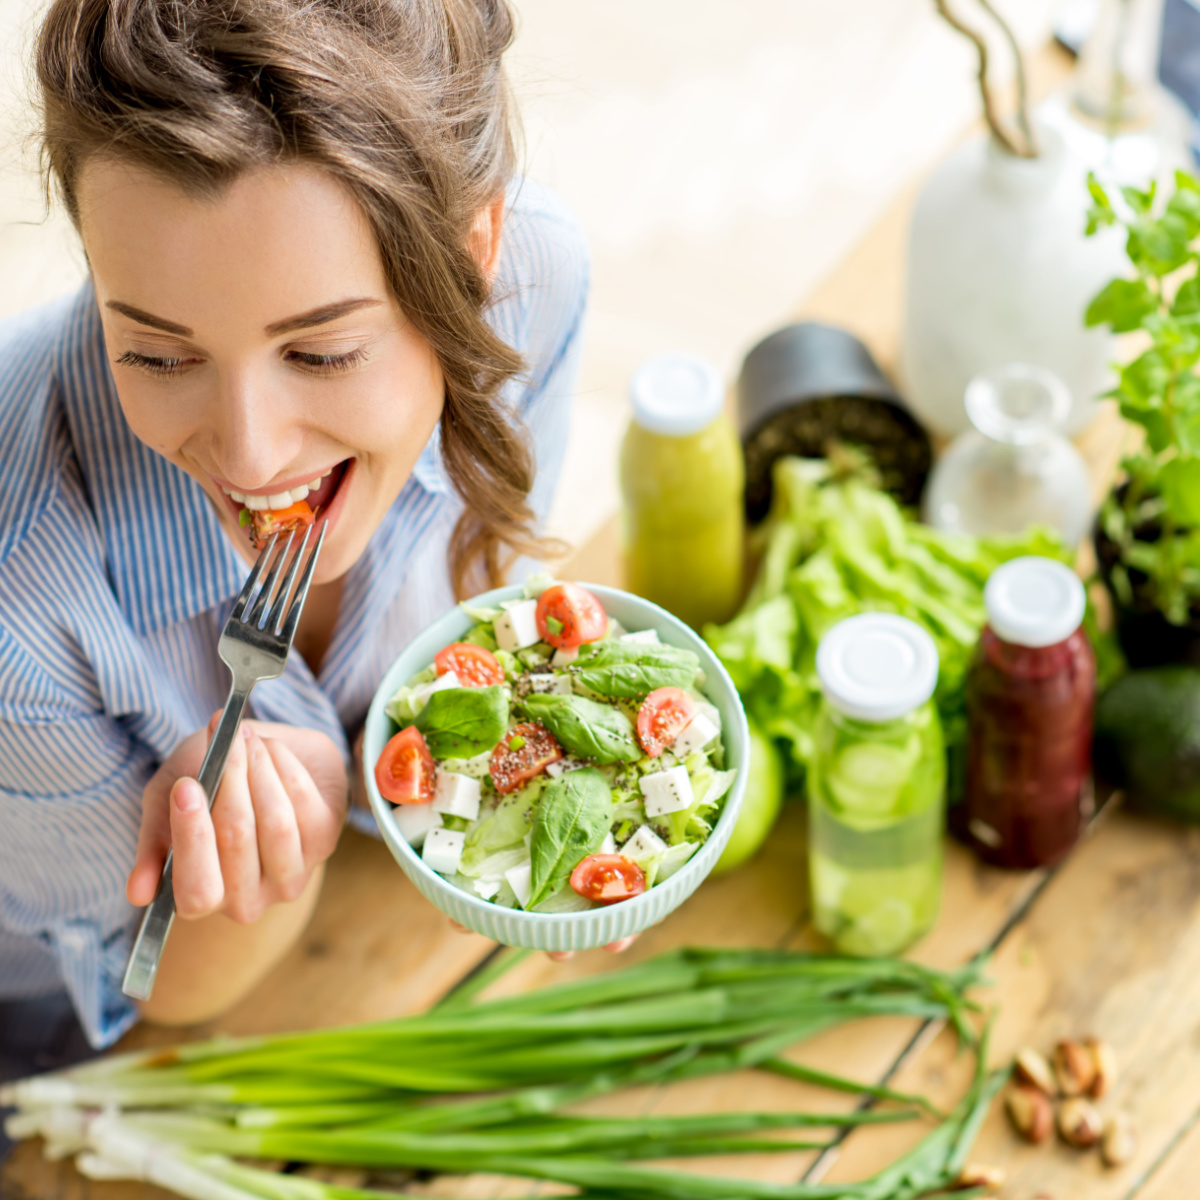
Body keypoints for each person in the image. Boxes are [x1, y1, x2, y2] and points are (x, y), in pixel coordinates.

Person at [0, 0, 589, 1060]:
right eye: (158, 355)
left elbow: (485, 636)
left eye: (320, 354)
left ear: (476, 255)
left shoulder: (535, 288)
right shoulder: (20, 603)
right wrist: (246, 856)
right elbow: (154, 996)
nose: (251, 454)